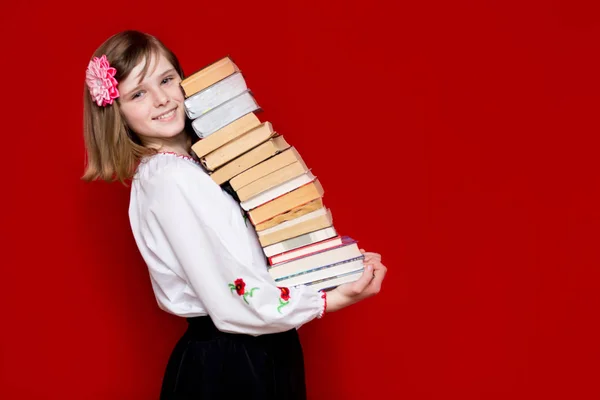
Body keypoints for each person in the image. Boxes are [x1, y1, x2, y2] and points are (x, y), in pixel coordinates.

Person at [81, 30, 387, 399]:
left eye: (166, 79)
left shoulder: (193, 166)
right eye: (138, 93)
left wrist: (329, 271)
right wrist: (327, 300)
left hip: (253, 350)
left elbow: (247, 260)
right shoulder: (169, 177)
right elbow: (231, 292)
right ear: (117, 112)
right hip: (232, 361)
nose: (161, 99)